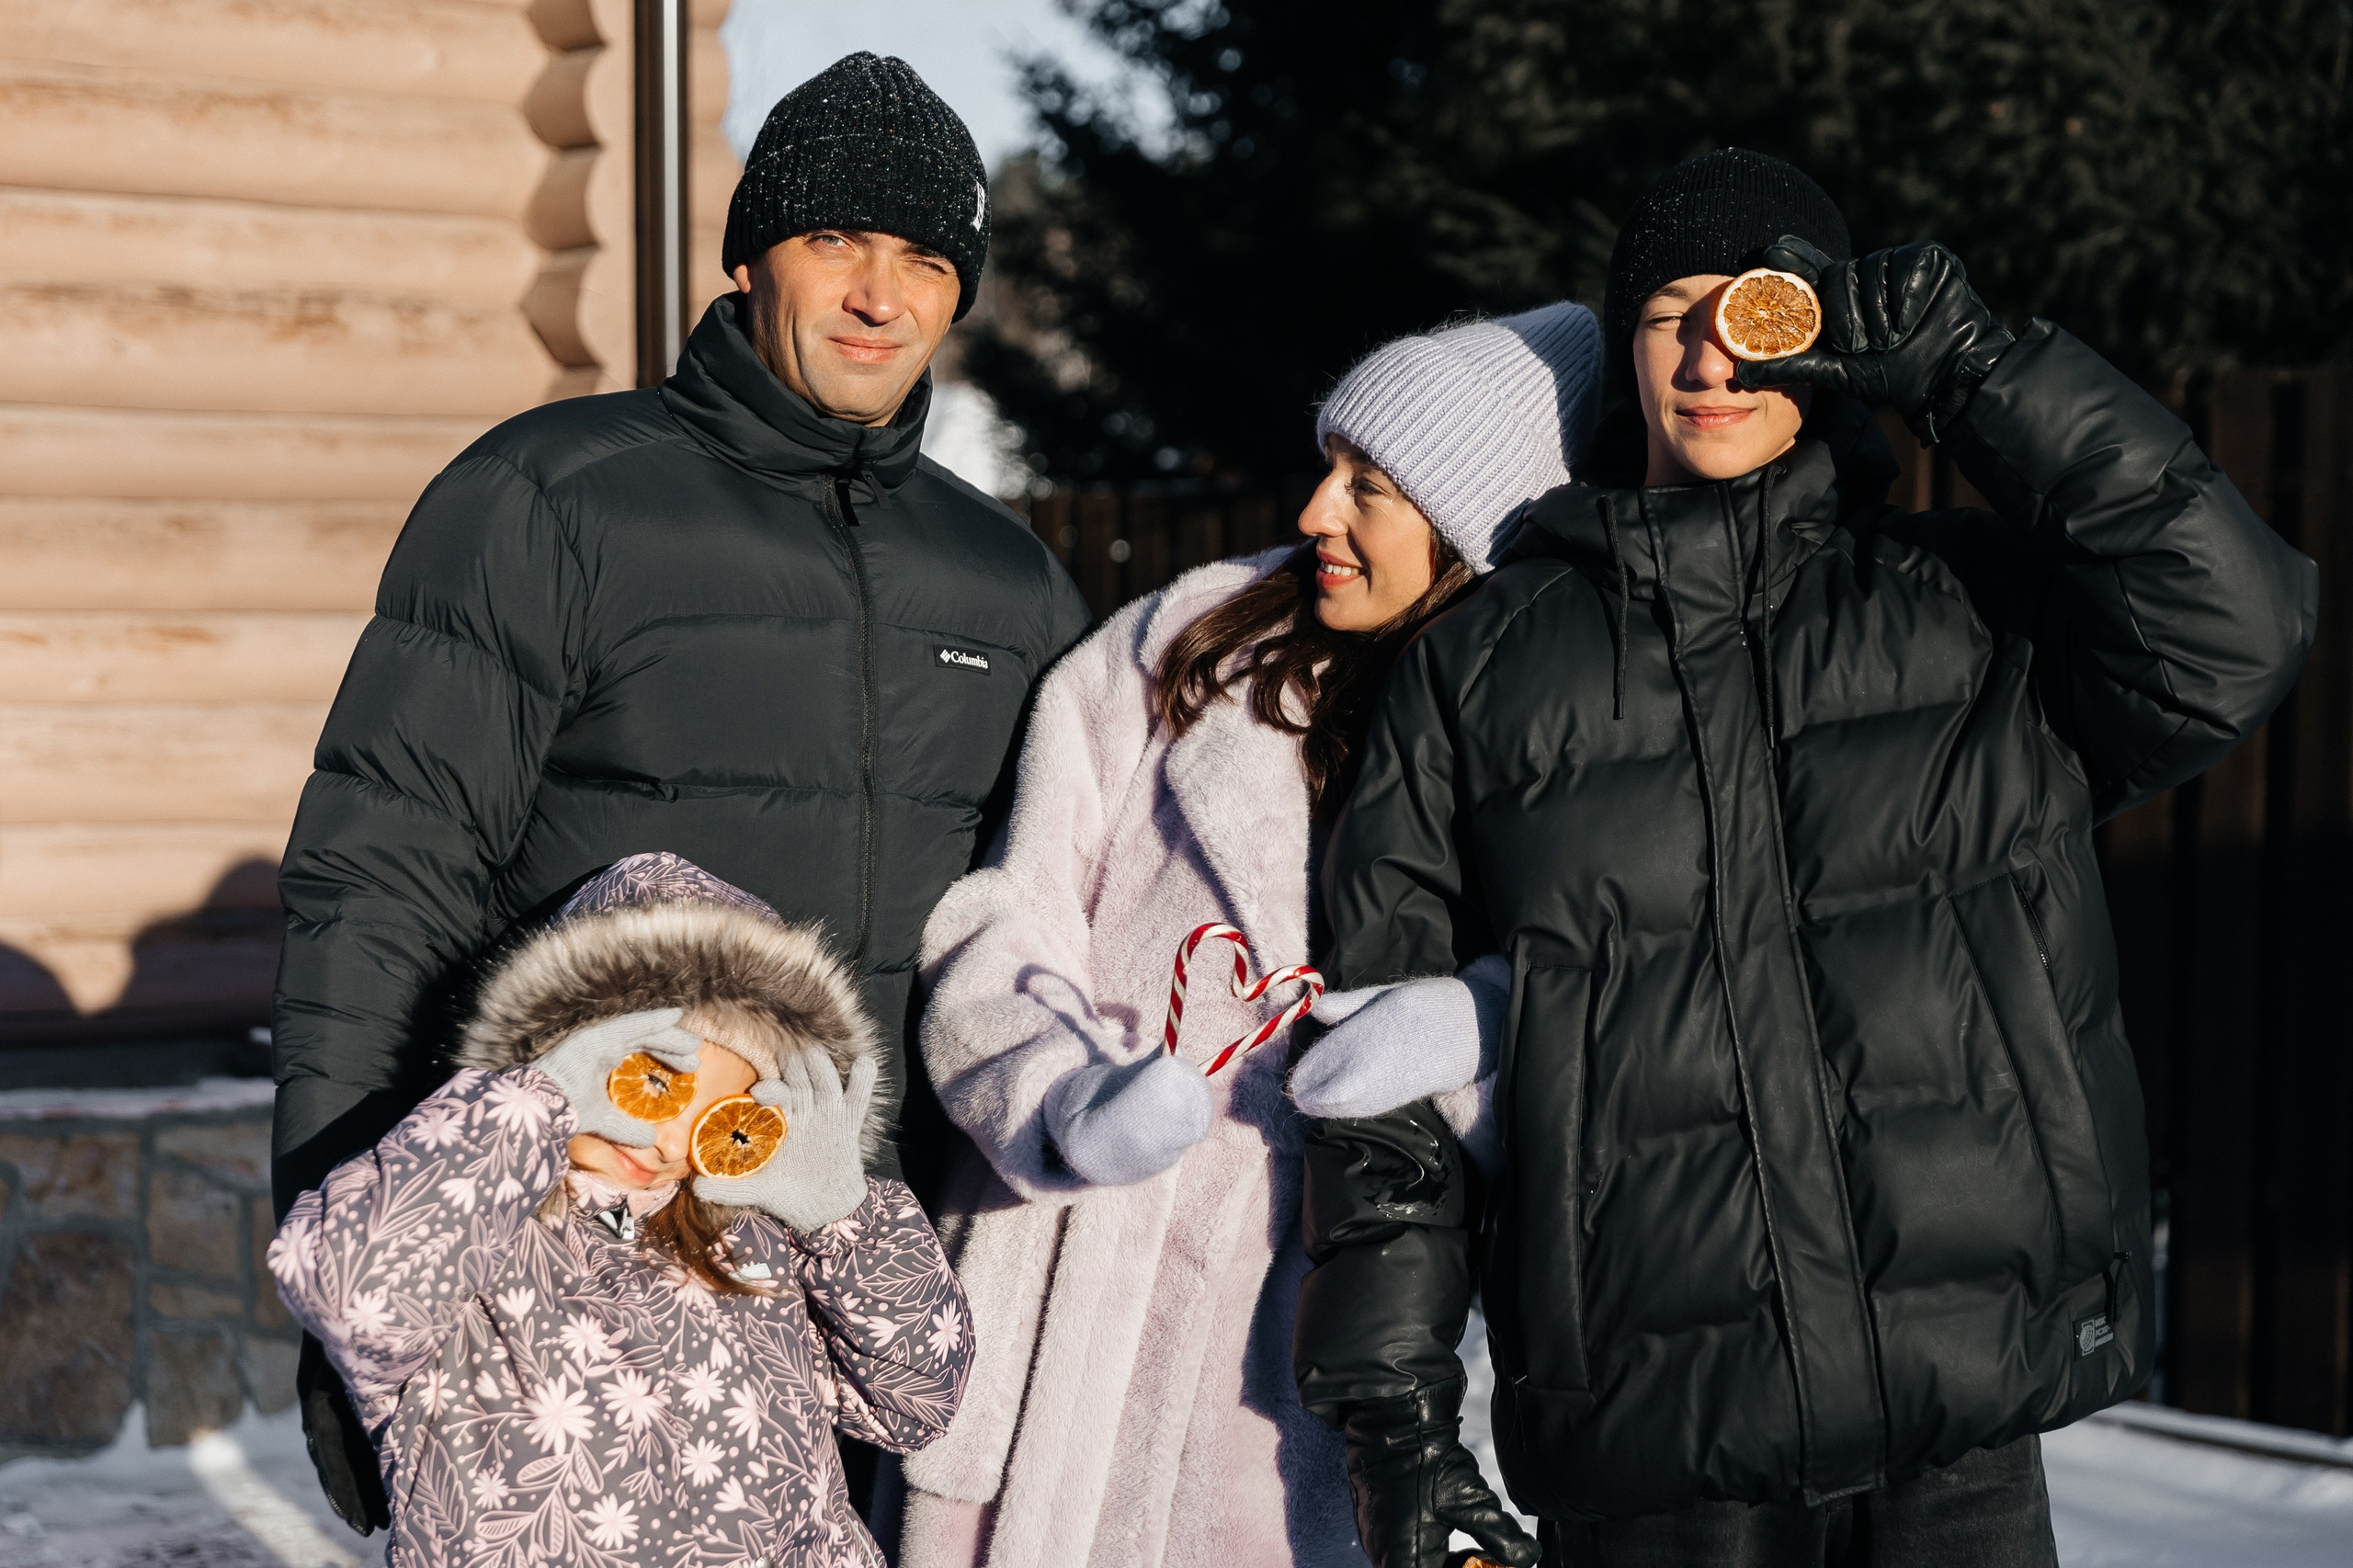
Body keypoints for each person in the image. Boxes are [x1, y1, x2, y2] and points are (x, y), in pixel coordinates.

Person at [1290, 148, 2316, 1567]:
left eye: (1753, 307)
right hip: (1655, 1450)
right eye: (1670, 313)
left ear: (1823, 331)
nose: (1713, 355)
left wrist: (1976, 368)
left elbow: (2237, 628)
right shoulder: (1482, 670)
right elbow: (1380, 1081)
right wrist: (1394, 1418)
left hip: (1958, 1419)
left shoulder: (1963, 610)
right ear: (1624, 347)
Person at [268, 52, 1090, 1528]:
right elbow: (381, 883)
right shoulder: (552, 498)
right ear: (751, 250)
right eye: (835, 238)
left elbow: (1034, 939)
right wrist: (344, 1284)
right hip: (569, 1287)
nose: (877, 294)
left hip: (839, 1292)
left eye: (923, 258)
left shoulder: (1012, 585)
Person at [885, 306, 1602, 1565]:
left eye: (1369, 487)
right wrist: (1061, 1095)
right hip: (1053, 1305)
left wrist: (1470, 1029)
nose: (1320, 509)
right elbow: (1007, 912)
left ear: (1466, 527)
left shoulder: (1552, 742)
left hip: (1277, 1373)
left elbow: (1598, 1032)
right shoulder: (1182, 645)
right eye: (1329, 467)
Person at [267, 852, 972, 1567]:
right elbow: (355, 1293)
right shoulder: (477, 1222)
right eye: (651, 1084)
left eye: (715, 1116)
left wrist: (844, 1220)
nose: (667, 1142)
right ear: (566, 1047)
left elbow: (918, 1402)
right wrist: (530, 1104)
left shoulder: (756, 1240)